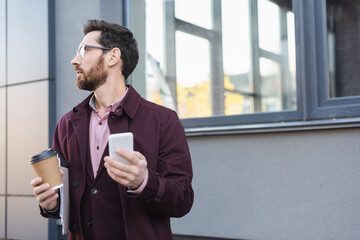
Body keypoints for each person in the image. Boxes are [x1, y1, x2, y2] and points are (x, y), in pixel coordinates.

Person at [30, 19, 194, 240]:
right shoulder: (67, 124)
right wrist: (51, 204)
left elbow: (182, 199)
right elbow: (66, 200)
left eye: (84, 50)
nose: (74, 60)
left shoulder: (163, 121)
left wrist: (144, 182)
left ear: (113, 57)